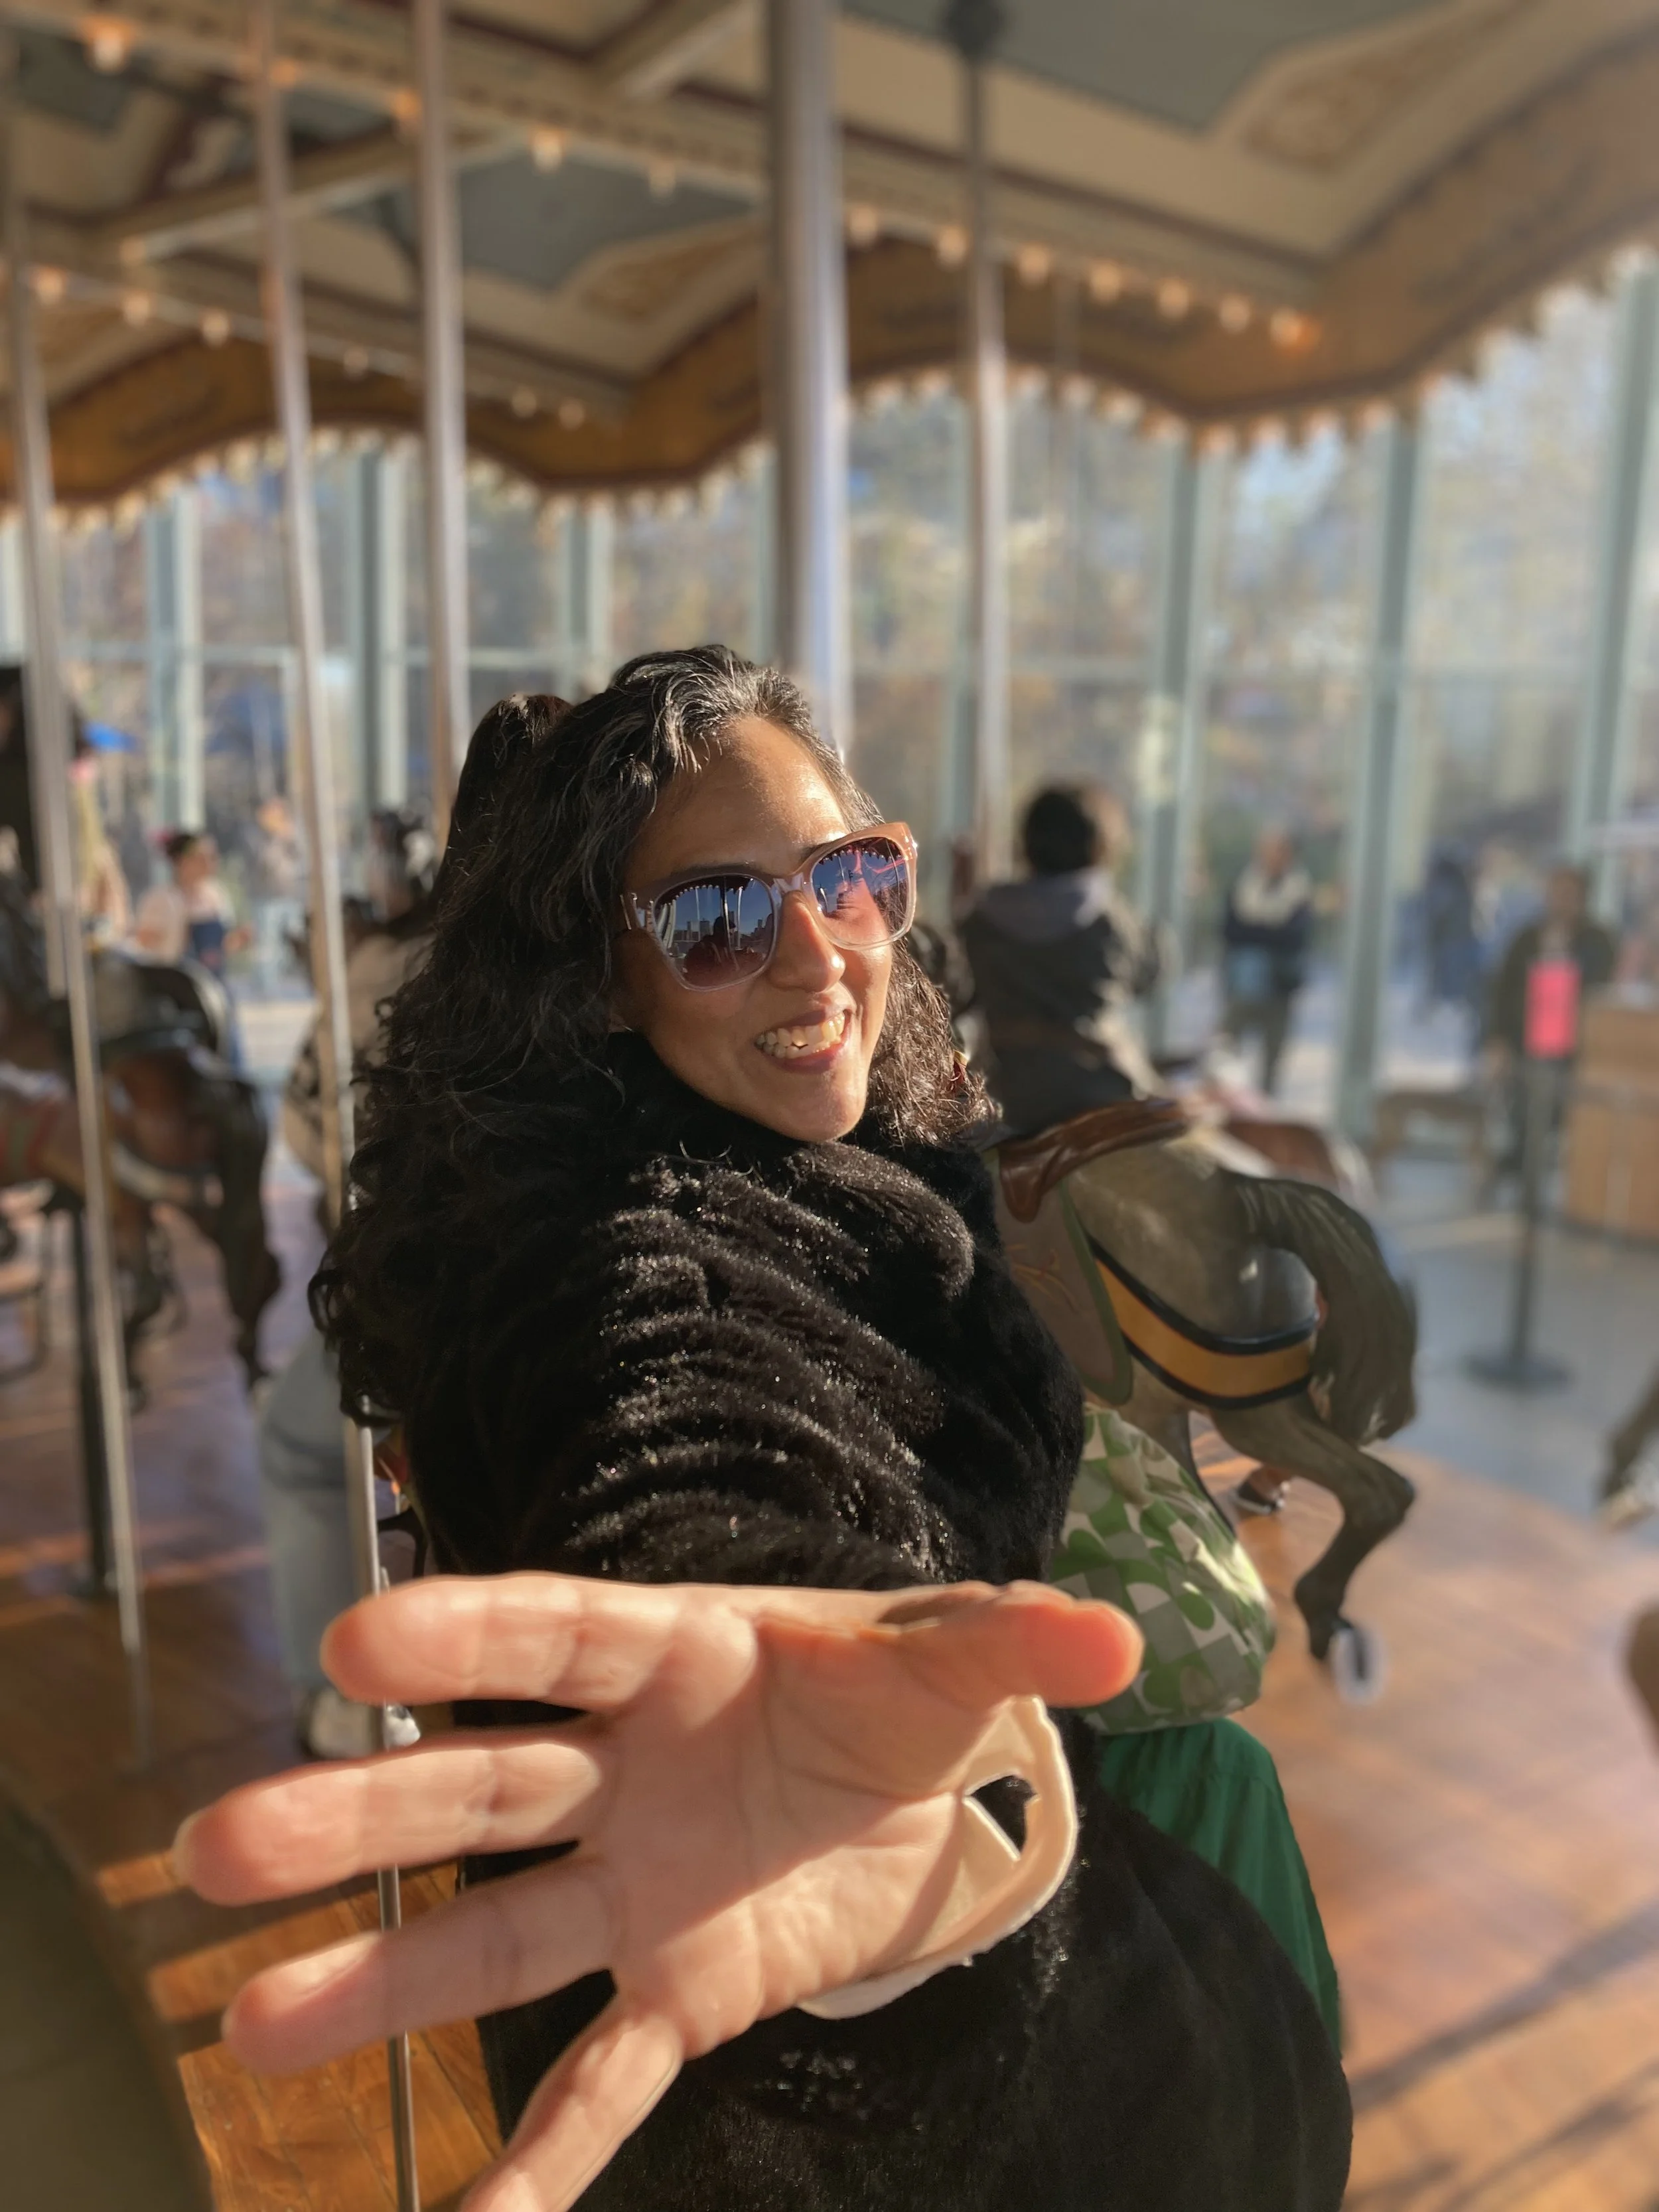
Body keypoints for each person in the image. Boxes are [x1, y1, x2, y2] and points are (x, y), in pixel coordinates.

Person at [177, 653, 1350, 2212]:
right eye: (719, 920)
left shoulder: (798, 1154)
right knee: (1218, 1774)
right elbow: (672, 1421)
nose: (815, 955)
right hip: (841, 1996)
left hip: (848, 1894)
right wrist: (775, 1686)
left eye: (850, 879)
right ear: (600, 969)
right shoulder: (621, 1247)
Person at [259, 808, 436, 1759]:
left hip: (444, 1266)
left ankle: (346, 1699)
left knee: (297, 1445)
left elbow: (310, 1130)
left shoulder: (380, 972)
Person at [960, 782, 1160, 1132]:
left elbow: (958, 994)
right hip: (1100, 1098)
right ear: (1099, 847)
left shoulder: (980, 921)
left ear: (1026, 845)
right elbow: (1149, 976)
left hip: (1006, 1099)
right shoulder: (1113, 922)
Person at [1483, 862, 1617, 1176]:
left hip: (1574, 1049)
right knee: (1522, 1111)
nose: (1561, 900)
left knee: (1559, 1115)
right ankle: (1518, 1164)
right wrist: (1497, 1040)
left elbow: (1600, 988)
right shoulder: (1527, 937)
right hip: (1524, 1044)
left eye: (1569, 893)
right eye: (1556, 892)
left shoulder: (1598, 940)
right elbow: (1502, 990)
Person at [1220, 828, 1313, 1096]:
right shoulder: (1243, 886)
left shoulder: (1299, 891)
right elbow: (1231, 932)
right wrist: (1270, 932)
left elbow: (1295, 937)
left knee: (1272, 1058)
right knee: (1228, 1051)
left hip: (1280, 986)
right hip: (1242, 987)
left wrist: (1256, 932)